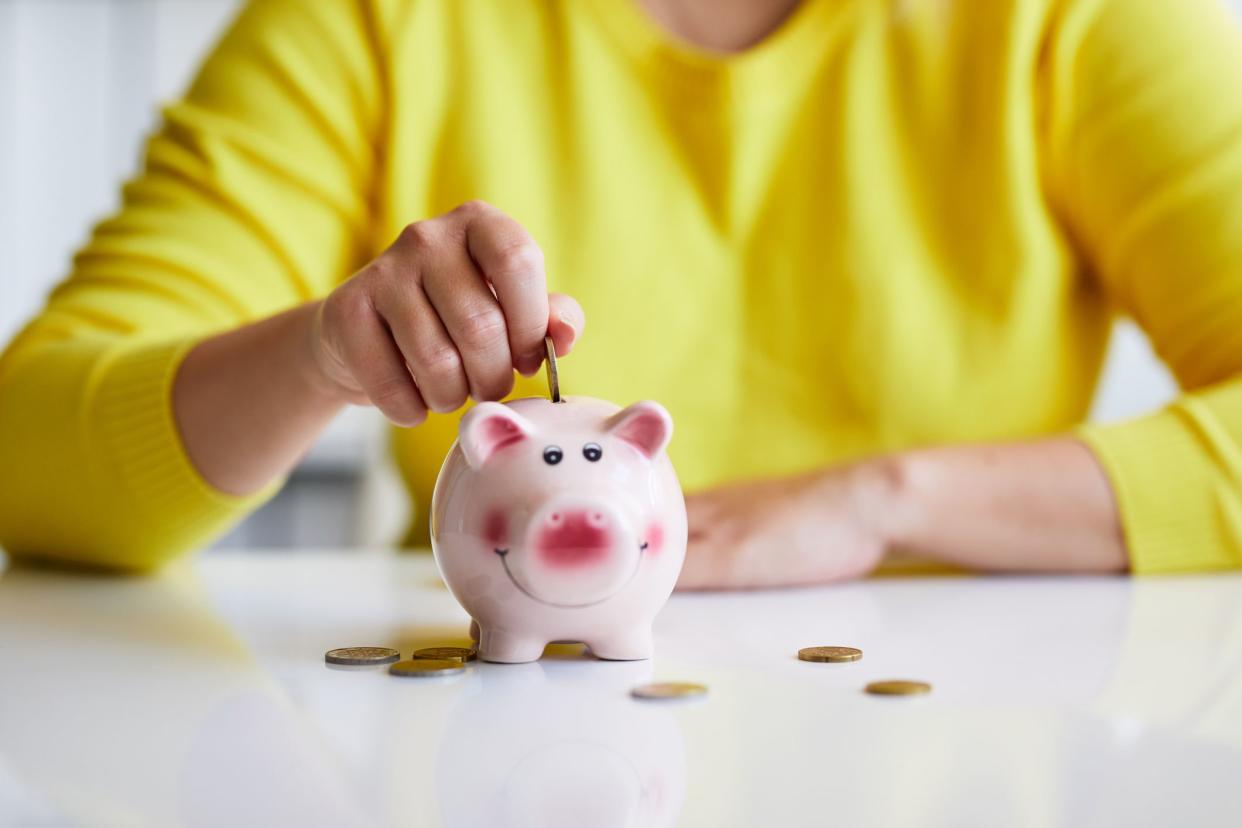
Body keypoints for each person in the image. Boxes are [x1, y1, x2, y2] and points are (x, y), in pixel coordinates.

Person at [2, 0, 1241, 587]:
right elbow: (28, 455)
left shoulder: (1073, 21)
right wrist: (323, 353)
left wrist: (883, 502)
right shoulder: (367, 23)